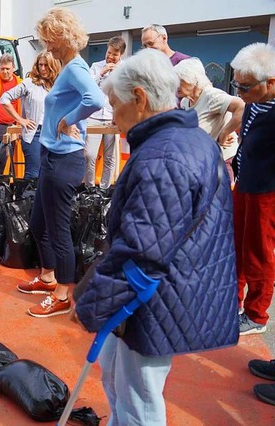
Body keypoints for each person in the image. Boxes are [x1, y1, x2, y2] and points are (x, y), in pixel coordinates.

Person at [73, 49, 238, 425]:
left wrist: (90, 304)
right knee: (121, 378)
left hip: (155, 295)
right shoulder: (186, 139)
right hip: (167, 288)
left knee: (138, 398)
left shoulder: (164, 157)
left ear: (139, 98)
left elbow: (142, 251)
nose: (112, 117)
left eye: (114, 104)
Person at [17, 6, 104, 317]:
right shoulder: (67, 67)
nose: (47, 46)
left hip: (64, 160)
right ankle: (48, 276)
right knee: (39, 224)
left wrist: (68, 119)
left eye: (49, 39)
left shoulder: (75, 68)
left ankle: (64, 295)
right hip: (52, 155)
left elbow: (95, 99)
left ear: (63, 36)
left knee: (57, 229)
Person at [229, 43, 275, 337]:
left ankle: (256, 314)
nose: (239, 93)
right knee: (236, 247)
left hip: (266, 192)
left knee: (259, 253)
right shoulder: (253, 103)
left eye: (245, 87)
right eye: (237, 85)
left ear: (270, 83)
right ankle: (231, 303)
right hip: (245, 183)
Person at [174, 57, 245, 181]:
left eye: (180, 81)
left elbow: (241, 107)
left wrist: (224, 133)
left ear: (193, 80)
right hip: (202, 160)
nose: (176, 86)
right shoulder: (185, 102)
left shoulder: (211, 95)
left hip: (221, 161)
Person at [0, 51, 61, 179]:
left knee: (51, 176)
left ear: (53, 66)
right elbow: (4, 98)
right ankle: (28, 198)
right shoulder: (29, 83)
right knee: (33, 175)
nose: (43, 69)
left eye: (46, 65)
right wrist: (21, 120)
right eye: (40, 65)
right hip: (35, 134)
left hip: (54, 133)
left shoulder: (59, 85)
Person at [84, 36, 126, 189]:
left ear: (120, 54)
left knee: (110, 157)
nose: (110, 56)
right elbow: (87, 86)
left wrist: (118, 73)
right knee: (89, 154)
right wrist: (102, 72)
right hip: (93, 116)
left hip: (113, 117)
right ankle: (89, 189)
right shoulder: (96, 66)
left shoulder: (125, 68)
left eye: (114, 54)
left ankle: (104, 189)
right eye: (108, 53)